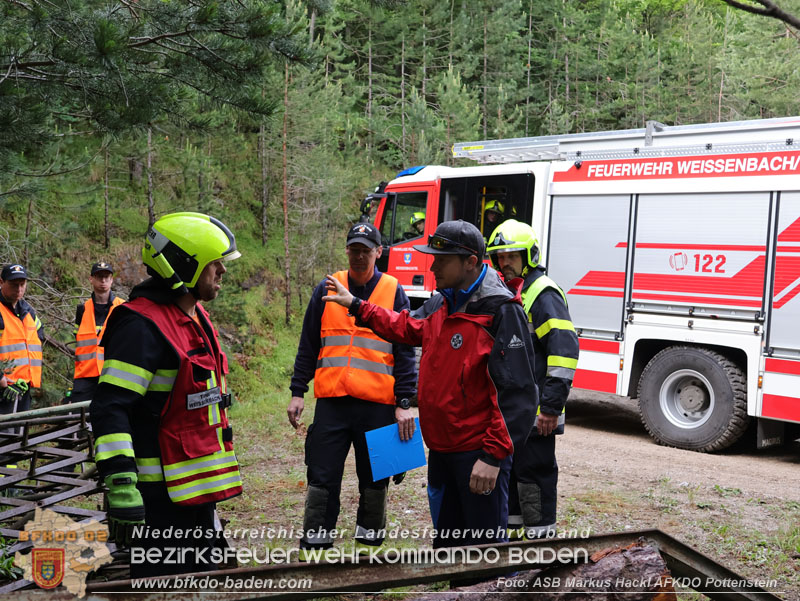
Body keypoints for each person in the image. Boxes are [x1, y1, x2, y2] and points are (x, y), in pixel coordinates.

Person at [322, 220, 538, 551]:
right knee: (449, 546)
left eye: (441, 259)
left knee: (484, 553)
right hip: (442, 449)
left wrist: (493, 457)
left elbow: (518, 395)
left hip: (477, 452)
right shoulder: (443, 302)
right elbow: (405, 326)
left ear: (470, 262)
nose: (432, 265)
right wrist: (356, 305)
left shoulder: (500, 311)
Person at [90, 212, 242, 578]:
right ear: (184, 266)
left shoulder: (193, 316)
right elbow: (110, 407)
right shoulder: (140, 326)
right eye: (213, 263)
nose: (222, 271)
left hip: (196, 495)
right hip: (158, 501)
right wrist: (122, 483)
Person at [288, 222, 417, 554]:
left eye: (365, 250)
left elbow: (405, 351)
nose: (359, 257)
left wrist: (404, 402)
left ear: (378, 253)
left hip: (378, 405)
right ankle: (315, 550)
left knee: (377, 481)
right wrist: (297, 391)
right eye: (353, 250)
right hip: (333, 402)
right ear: (347, 251)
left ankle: (369, 555)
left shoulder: (393, 290)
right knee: (321, 477)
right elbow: (308, 344)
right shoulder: (326, 288)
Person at [487, 219, 579, 539]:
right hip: (514, 411)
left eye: (511, 255)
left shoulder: (542, 293)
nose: (505, 263)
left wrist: (551, 407)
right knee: (512, 478)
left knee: (535, 477)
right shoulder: (511, 292)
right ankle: (512, 553)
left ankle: (540, 551)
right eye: (499, 257)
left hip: (538, 412)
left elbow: (564, 352)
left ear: (530, 255)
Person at [71, 262, 124, 402]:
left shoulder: (123, 308)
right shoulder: (82, 310)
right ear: (91, 279)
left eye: (107, 277)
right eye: (99, 276)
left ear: (112, 279)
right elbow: (78, 339)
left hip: (113, 375)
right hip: (85, 376)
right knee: (80, 419)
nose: (103, 280)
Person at [0, 264, 43, 426]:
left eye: (22, 285)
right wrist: (1, 380)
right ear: (2, 282)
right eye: (13, 284)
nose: (18, 289)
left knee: (19, 438)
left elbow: (37, 337)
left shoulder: (27, 311)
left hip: (23, 386)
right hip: (4, 388)